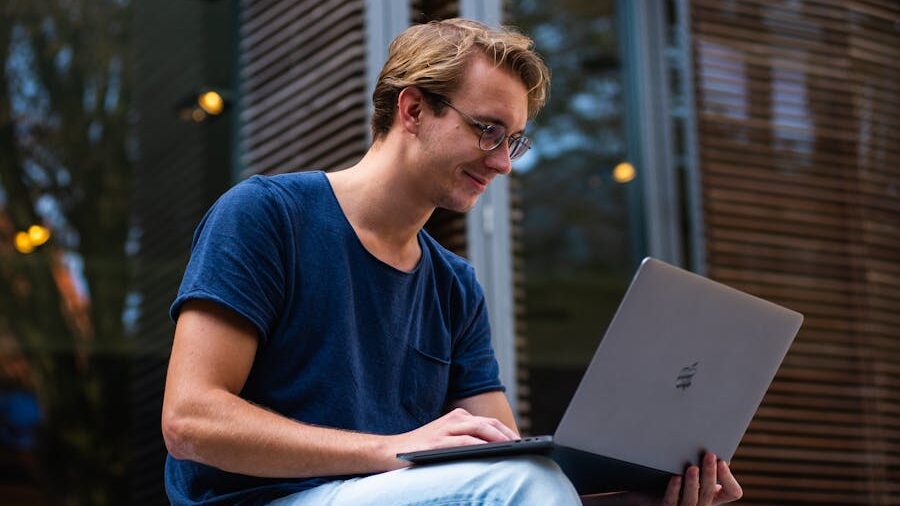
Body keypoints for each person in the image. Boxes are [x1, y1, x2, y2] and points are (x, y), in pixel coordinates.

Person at [161, 18, 743, 506]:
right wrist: (390, 449)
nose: (503, 163)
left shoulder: (454, 285)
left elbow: (505, 462)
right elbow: (190, 422)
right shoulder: (267, 216)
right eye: (489, 130)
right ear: (413, 109)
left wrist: (641, 494)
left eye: (513, 141)